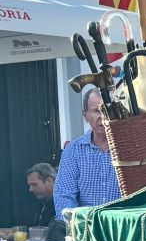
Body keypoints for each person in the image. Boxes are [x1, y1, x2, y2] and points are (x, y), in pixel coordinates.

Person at [53, 89, 122, 217]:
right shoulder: (73, 151)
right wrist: (75, 227)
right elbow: (64, 197)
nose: (102, 116)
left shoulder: (130, 148)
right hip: (84, 229)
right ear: (85, 115)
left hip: (121, 229)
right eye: (96, 111)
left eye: (107, 110)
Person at [26, 163, 56, 228]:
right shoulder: (42, 203)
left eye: (34, 185)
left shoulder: (62, 205)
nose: (30, 189)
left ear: (49, 181)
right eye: (30, 185)